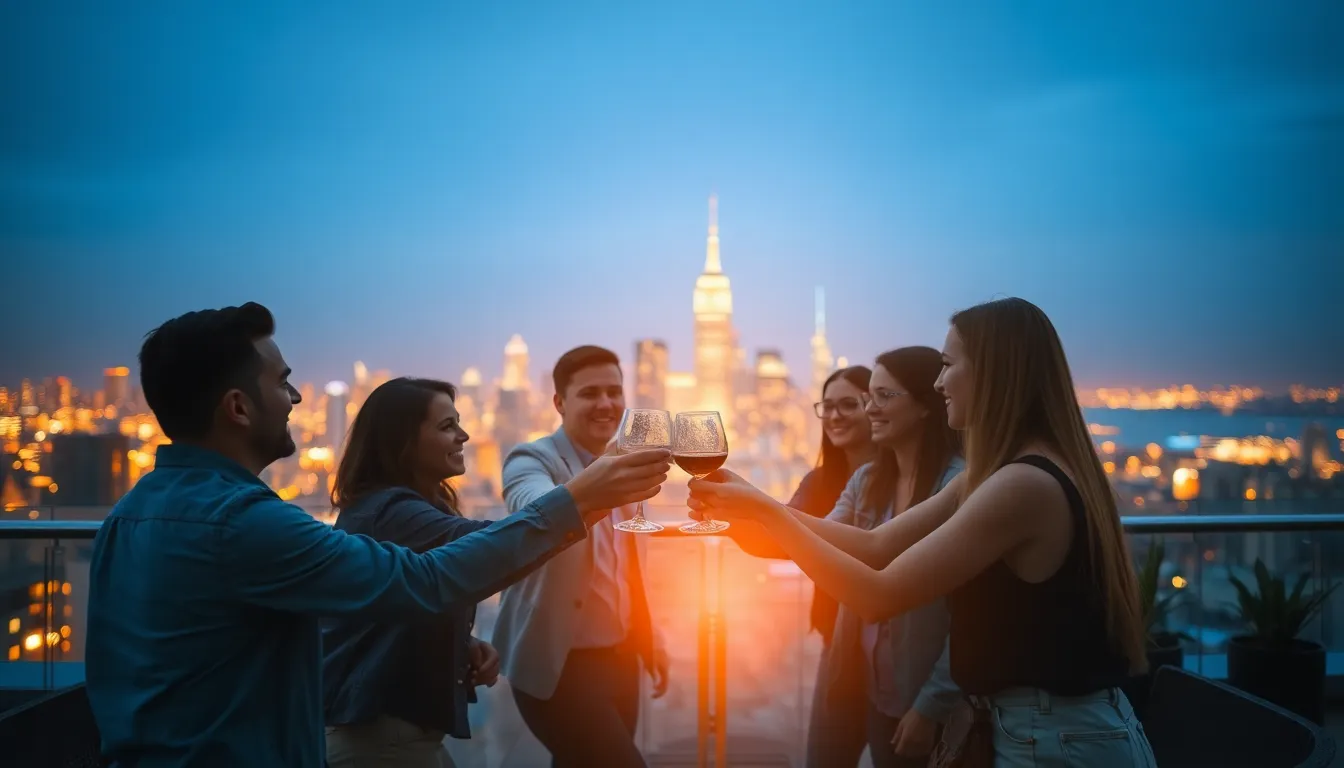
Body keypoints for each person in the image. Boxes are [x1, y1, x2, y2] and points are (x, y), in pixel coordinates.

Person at [84, 304, 671, 768]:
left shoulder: (129, 516)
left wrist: (450, 642)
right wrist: (579, 500)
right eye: (282, 383)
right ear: (238, 408)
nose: (295, 398)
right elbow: (424, 579)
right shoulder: (245, 523)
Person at [688, 298, 1157, 767]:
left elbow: (878, 594)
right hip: (1040, 729)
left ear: (994, 373)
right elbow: (876, 545)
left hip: (1057, 739)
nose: (938, 382)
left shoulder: (1020, 485)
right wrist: (759, 503)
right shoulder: (998, 474)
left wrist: (767, 515)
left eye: (949, 365)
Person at [736, 352, 962, 767]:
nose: (870, 408)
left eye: (882, 396)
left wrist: (932, 704)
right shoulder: (867, 480)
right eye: (869, 397)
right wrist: (740, 515)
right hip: (867, 678)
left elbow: (968, 618)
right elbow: (822, 538)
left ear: (925, 405)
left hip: (921, 692)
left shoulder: (955, 483)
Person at [322, 377, 542, 766]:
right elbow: (490, 547)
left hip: (397, 739)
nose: (464, 435)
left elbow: (393, 611)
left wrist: (460, 644)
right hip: (381, 746)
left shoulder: (408, 511)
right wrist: (584, 498)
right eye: (446, 426)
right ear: (403, 442)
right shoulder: (391, 514)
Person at [492, 345, 670, 768]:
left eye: (614, 391)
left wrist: (651, 638)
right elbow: (534, 510)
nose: (606, 403)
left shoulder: (629, 462)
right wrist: (604, 471)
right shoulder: (531, 459)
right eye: (590, 393)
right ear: (559, 402)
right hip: (559, 667)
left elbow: (628, 570)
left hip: (621, 660)